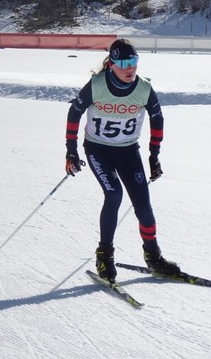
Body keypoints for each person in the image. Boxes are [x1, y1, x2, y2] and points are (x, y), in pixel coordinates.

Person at [64, 38, 181, 283]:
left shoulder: (144, 88)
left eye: (134, 62)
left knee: (143, 205)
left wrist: (154, 156)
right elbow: (74, 112)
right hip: (98, 150)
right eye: (125, 63)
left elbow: (157, 119)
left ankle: (153, 257)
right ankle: (104, 255)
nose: (130, 68)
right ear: (112, 65)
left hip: (128, 150)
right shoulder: (96, 85)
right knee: (114, 194)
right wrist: (71, 151)